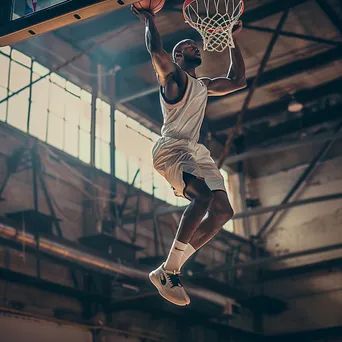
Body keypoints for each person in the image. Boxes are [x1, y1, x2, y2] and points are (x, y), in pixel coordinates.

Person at [132, 6, 246, 306]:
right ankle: (169, 271)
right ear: (178, 58)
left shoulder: (203, 85)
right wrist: (149, 18)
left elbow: (237, 81)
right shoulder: (173, 78)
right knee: (203, 198)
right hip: (172, 149)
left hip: (195, 151)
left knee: (223, 213)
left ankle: (168, 269)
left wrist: (233, 42)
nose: (193, 45)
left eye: (194, 44)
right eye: (185, 46)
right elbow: (155, 49)